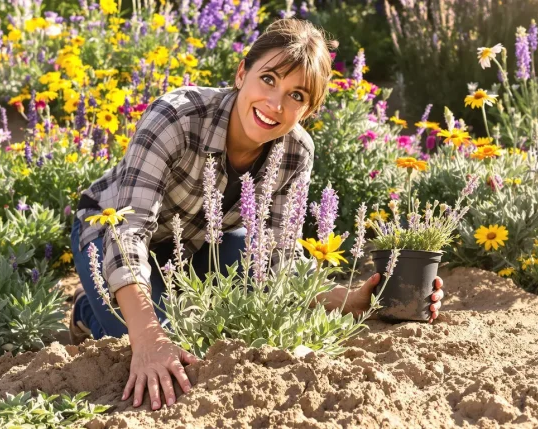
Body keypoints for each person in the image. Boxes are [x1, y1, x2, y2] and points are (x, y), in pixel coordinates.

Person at [69, 18, 445, 411]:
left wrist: (352, 299)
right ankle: (89, 309)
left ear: (309, 109)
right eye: (268, 79)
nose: (276, 104)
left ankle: (137, 302)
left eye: (296, 95)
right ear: (241, 73)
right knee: (165, 347)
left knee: (223, 311)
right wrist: (148, 339)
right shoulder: (176, 118)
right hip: (108, 238)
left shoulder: (296, 152)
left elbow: (276, 261)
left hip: (198, 245)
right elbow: (127, 231)